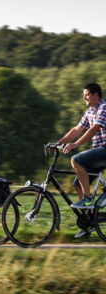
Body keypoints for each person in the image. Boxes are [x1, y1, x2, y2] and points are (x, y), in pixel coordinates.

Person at [58, 83, 106, 221]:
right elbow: (77, 130)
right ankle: (88, 219)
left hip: (104, 150)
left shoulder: (104, 108)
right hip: (99, 151)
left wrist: (76, 144)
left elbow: (94, 129)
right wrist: (59, 143)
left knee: (76, 160)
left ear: (95, 95)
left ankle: (88, 199)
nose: (84, 98)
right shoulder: (89, 112)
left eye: (86, 95)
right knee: (77, 185)